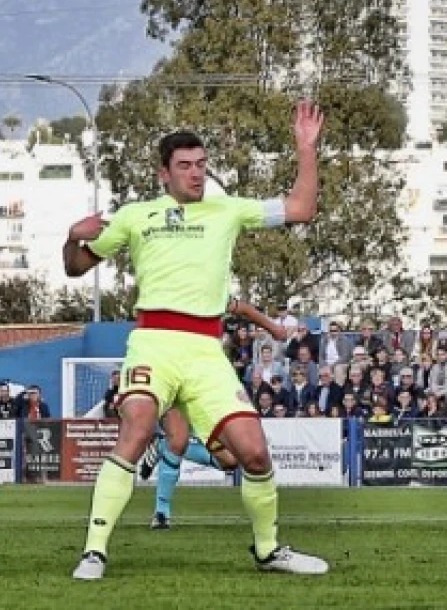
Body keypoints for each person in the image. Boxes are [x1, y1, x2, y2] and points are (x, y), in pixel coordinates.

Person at [62, 103, 328, 580]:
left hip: (206, 350)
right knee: (138, 428)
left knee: (254, 453)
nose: (196, 174)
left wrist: (306, 148)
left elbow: (301, 208)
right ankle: (94, 552)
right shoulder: (135, 216)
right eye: (184, 166)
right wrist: (72, 237)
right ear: (163, 173)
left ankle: (268, 550)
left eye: (202, 164)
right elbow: (77, 266)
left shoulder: (227, 209)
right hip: (153, 344)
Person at [144, 297, 290, 530]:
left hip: (205, 382)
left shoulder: (207, 290)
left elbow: (240, 307)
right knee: (178, 440)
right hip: (173, 375)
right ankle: (162, 512)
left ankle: (161, 447)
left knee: (231, 461)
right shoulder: (167, 295)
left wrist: (273, 327)